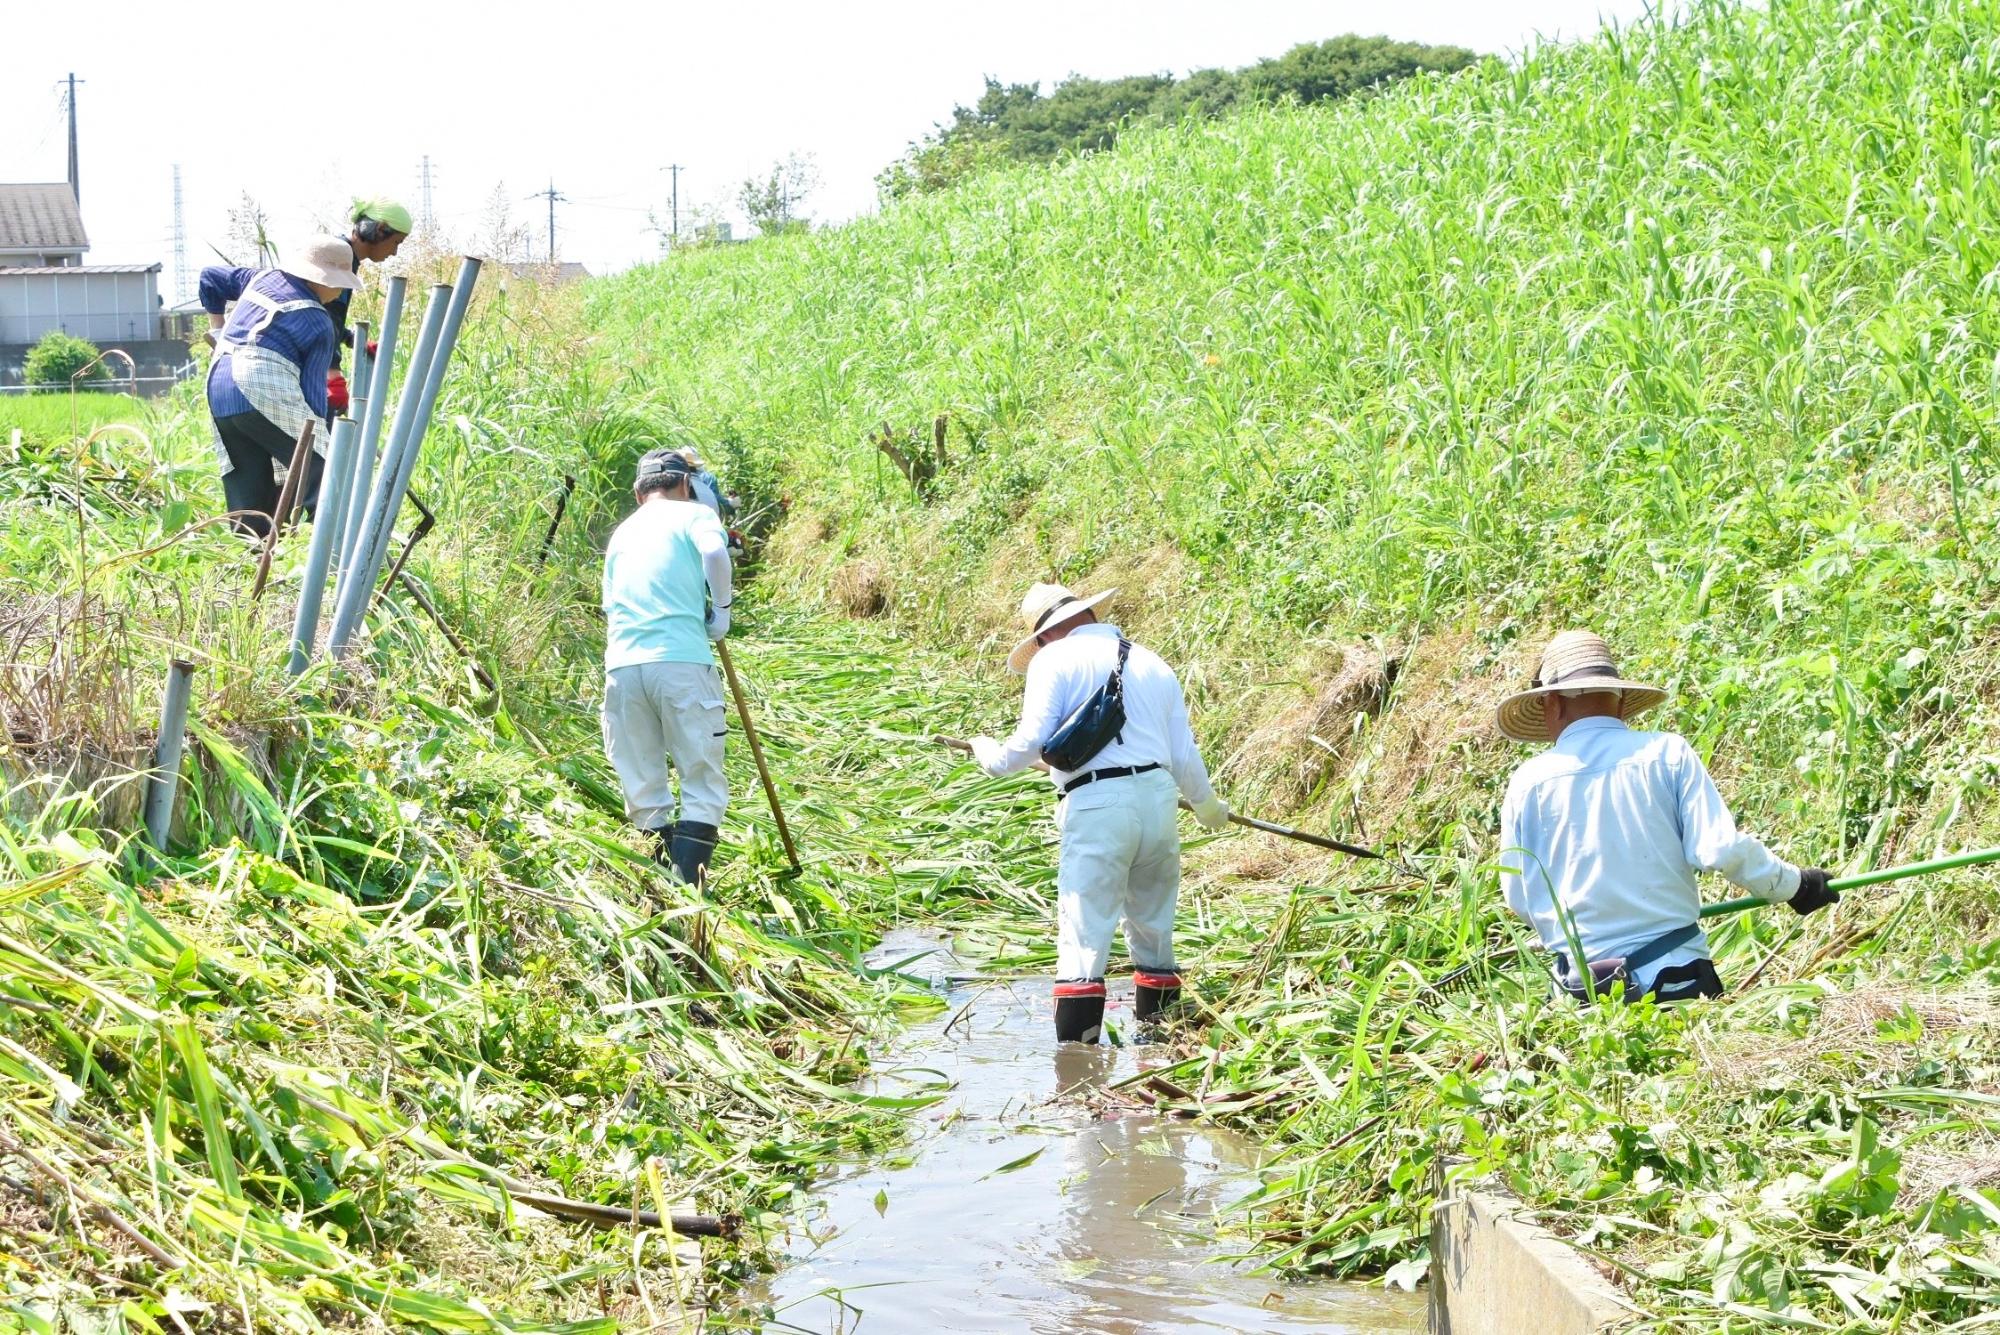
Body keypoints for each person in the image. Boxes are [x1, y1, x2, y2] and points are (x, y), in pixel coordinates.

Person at [1494, 630, 1839, 1004]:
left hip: (1580, 997)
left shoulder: (1527, 782)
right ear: (1621, 698)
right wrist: (1795, 886)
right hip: (1676, 984)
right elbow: (1719, 848)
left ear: (1552, 703)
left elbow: (1520, 896)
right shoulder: (1666, 753)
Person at [966, 584, 1230, 1043]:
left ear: (1045, 636)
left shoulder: (1053, 660)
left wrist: (987, 753)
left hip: (1098, 803)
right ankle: (1159, 1046)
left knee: (1084, 935)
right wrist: (1209, 810)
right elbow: (1184, 756)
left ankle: (1078, 1072)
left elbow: (1028, 745)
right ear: (1089, 614)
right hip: (1159, 801)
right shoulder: (1152, 662)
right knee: (1154, 930)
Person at [601, 448, 734, 885]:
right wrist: (723, 610)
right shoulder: (692, 514)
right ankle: (688, 901)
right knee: (701, 784)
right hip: (680, 665)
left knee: (645, 793)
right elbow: (716, 554)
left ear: (640, 494)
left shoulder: (620, 534)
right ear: (683, 485)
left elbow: (610, 605)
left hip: (622, 670)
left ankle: (659, 904)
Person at [199, 236, 360, 537]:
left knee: (250, 485)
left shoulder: (260, 279)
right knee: (325, 471)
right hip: (261, 383)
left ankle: (250, 563)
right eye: (339, 283)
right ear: (318, 279)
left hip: (219, 385)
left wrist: (217, 330)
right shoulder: (317, 320)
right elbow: (312, 401)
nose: (341, 291)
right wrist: (325, 438)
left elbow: (210, 277)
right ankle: (334, 554)